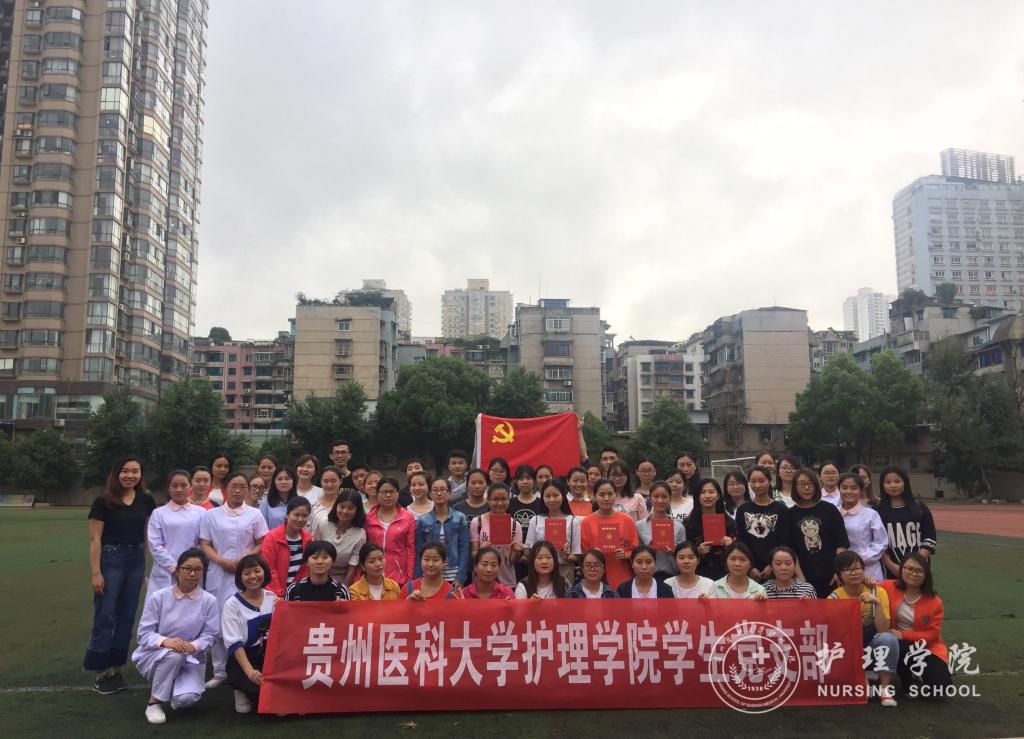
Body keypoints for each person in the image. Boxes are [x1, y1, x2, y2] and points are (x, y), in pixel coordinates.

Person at [85, 456, 157, 694]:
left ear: (140, 474)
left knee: (127, 617)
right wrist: (96, 572)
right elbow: (95, 539)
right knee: (106, 615)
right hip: (111, 559)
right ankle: (100, 672)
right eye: (125, 471)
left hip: (135, 560)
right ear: (116, 474)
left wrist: (144, 566)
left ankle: (116, 669)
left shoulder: (146, 500)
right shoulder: (103, 502)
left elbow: (147, 534)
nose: (130, 475)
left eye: (135, 471)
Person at [132, 549, 220, 724]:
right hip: (156, 655)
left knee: (185, 700)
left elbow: (211, 635)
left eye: (198, 569)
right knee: (174, 655)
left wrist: (194, 646)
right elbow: (143, 634)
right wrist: (166, 642)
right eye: (187, 568)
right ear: (178, 570)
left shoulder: (209, 600)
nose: (192, 574)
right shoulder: (159, 597)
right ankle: (154, 703)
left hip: (192, 658)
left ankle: (172, 687)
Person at [198, 472, 268, 687]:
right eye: (233, 486)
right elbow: (205, 544)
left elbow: (262, 541)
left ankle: (245, 666)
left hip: (247, 573)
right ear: (225, 489)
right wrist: (221, 561)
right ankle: (220, 671)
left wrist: (245, 559)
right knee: (219, 619)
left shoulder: (255, 514)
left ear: (248, 489)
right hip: (219, 572)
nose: (238, 490)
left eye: (242, 486)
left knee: (244, 619)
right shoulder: (212, 515)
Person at [827, 550, 899, 706]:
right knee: (863, 694)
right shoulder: (834, 598)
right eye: (847, 570)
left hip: (872, 645)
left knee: (888, 639)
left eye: (857, 568)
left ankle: (884, 689)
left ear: (864, 570)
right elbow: (836, 636)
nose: (853, 573)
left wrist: (876, 604)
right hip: (848, 649)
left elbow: (883, 629)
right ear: (840, 574)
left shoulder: (878, 592)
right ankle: (862, 675)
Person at [881, 553, 952, 698]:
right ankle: (906, 678)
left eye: (919, 571)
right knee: (895, 644)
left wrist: (903, 634)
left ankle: (919, 672)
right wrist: (865, 580)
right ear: (901, 569)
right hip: (897, 644)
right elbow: (866, 588)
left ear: (926, 574)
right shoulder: (888, 586)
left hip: (925, 647)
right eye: (909, 569)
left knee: (940, 690)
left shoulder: (935, 602)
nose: (914, 573)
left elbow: (932, 635)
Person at [221, 554, 276, 714]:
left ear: (264, 572)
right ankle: (241, 689)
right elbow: (235, 643)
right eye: (247, 573)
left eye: (257, 571)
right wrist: (250, 672)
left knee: (279, 695)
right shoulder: (232, 605)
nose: (253, 576)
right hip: (243, 658)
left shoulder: (273, 598)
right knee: (259, 693)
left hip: (268, 656)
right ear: (240, 577)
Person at [785, 469, 849, 597]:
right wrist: (800, 577)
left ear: (816, 485)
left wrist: (838, 571)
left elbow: (841, 542)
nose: (806, 487)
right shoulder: (790, 515)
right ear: (795, 487)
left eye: (810, 483)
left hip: (832, 576)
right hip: (804, 576)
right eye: (802, 484)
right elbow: (790, 549)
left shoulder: (830, 510)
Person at [146, 470, 205, 597]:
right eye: (174, 486)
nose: (179, 489)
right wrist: (174, 567)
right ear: (168, 488)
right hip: (165, 572)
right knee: (163, 604)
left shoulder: (201, 513)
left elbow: (203, 542)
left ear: (191, 487)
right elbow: (155, 545)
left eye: (183, 485)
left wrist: (190, 566)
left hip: (192, 570)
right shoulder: (159, 513)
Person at [876, 466, 937, 579]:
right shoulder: (877, 511)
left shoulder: (920, 508)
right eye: (888, 482)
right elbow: (876, 543)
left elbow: (930, 538)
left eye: (897, 481)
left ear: (905, 482)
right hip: (890, 570)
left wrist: (914, 563)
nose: (893, 485)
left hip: (918, 569)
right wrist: (892, 566)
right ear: (882, 485)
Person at [580, 479, 639, 589]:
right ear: (595, 496)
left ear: (616, 495)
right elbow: (583, 553)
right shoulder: (586, 522)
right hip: (595, 579)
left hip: (623, 577)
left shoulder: (627, 520)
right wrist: (593, 554)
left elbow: (636, 551)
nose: (606, 498)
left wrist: (626, 555)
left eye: (610, 494)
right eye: (602, 494)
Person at [735, 465, 789, 581]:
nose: (757, 485)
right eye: (753, 481)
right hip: (748, 569)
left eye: (762, 481)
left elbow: (784, 541)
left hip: (776, 568)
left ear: (770, 481)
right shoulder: (743, 509)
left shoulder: (781, 509)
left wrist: (772, 565)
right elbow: (741, 540)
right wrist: (750, 566)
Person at [525, 479, 582, 583]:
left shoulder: (573, 522)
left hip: (564, 571)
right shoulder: (535, 520)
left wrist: (566, 556)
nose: (551, 500)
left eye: (555, 495)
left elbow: (577, 555)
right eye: (547, 496)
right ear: (542, 497)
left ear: (563, 496)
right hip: (540, 572)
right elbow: (529, 551)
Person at [416, 478, 470, 586]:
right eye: (435, 490)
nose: (439, 493)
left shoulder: (459, 517)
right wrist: (418, 578)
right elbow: (419, 551)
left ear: (450, 493)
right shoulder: (422, 520)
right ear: (430, 494)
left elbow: (464, 549)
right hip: (430, 573)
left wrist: (460, 577)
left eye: (443, 490)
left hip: (453, 574)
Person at [469, 482, 525, 587]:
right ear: (488, 500)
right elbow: (474, 553)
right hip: (482, 581)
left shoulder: (515, 525)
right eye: (495, 499)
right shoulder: (477, 522)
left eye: (504, 499)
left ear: (509, 500)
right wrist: (481, 550)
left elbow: (512, 560)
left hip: (506, 582)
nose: (500, 503)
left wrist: (517, 551)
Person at [363, 477, 417, 586]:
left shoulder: (407, 518)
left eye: (392, 491)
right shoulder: (368, 518)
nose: (388, 495)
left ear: (398, 493)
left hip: (397, 578)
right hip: (371, 576)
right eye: (384, 492)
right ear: (378, 494)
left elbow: (410, 550)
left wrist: (409, 579)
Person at [837, 472, 888, 581]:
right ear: (839, 489)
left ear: (861, 491)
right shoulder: (833, 513)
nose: (849, 491)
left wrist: (858, 560)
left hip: (868, 570)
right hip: (841, 571)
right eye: (844, 488)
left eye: (854, 488)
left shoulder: (871, 514)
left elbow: (881, 542)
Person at [684, 478, 736, 581]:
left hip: (725, 575)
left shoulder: (730, 523)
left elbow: (740, 549)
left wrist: (731, 546)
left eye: (711, 492)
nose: (707, 496)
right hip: (697, 575)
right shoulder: (688, 523)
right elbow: (683, 551)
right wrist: (697, 551)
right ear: (697, 496)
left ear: (718, 496)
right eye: (703, 492)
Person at [260, 496, 312, 597]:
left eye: (304, 516)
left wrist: (296, 593)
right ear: (287, 514)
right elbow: (269, 568)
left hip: (297, 596)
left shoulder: (308, 539)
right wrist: (279, 595)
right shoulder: (272, 538)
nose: (300, 519)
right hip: (275, 595)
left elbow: (305, 570)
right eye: (296, 515)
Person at [312, 489, 366, 585]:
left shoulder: (360, 534)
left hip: (343, 579)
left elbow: (352, 566)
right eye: (342, 507)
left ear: (357, 510)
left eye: (350, 508)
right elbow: (313, 552)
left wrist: (342, 589)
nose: (345, 511)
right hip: (319, 575)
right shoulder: (324, 524)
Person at [636, 481, 686, 580]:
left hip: (673, 577)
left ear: (670, 498)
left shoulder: (679, 527)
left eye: (664, 497)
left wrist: (674, 553)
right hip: (646, 576)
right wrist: (647, 549)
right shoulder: (639, 526)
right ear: (650, 498)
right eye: (656, 496)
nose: (660, 500)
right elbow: (635, 554)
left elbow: (684, 555)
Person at [286, 540, 350, 601]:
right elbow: (285, 609)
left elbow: (349, 609)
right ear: (307, 562)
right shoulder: (294, 590)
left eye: (325, 557)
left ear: (332, 561)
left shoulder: (341, 590)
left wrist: (343, 607)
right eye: (315, 557)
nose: (320, 562)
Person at [509, 465, 546, 543]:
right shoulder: (509, 503)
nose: (525, 482)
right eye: (521, 479)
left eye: (528, 478)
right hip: (514, 546)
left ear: (534, 481)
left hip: (536, 547)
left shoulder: (542, 503)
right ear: (516, 481)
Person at [259, 465, 296, 531]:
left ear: (293, 481)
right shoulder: (265, 503)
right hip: (271, 537)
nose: (283, 482)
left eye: (287, 479)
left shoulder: (300, 502)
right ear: (274, 481)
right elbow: (261, 530)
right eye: (279, 479)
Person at [307, 465, 343, 533]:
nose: (329, 485)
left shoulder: (345, 505)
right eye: (326, 481)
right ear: (321, 482)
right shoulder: (312, 504)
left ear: (340, 481)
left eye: (333, 481)